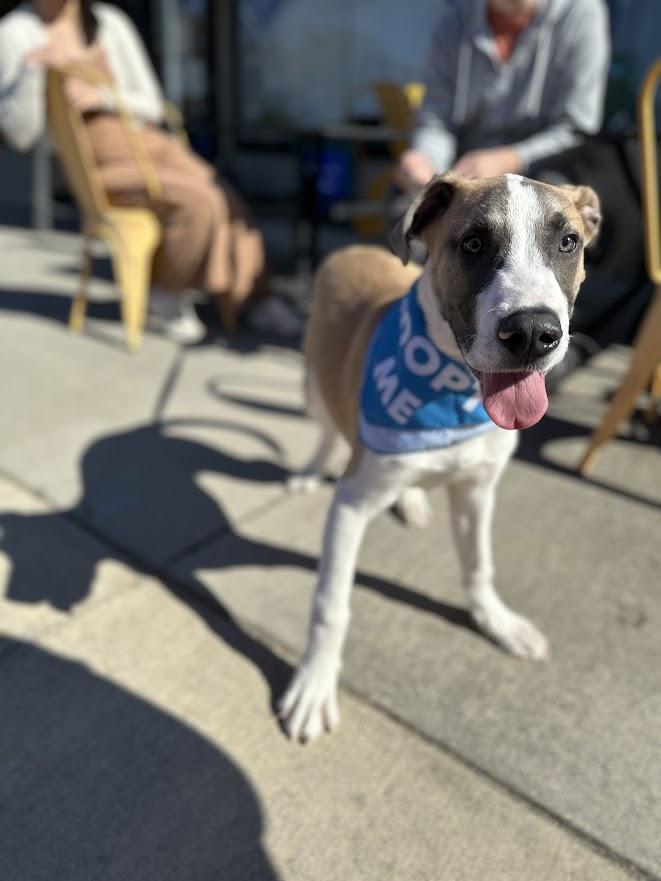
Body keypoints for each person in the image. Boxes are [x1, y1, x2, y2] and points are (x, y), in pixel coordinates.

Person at [0, 0, 300, 342]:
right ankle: (167, 291)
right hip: (101, 165)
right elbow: (21, 136)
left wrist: (101, 96)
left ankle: (254, 298)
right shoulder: (14, 33)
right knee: (198, 202)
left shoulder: (108, 21)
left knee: (227, 199)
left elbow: (153, 105)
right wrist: (32, 72)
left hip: (151, 144)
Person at [395, 0, 611, 196]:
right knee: (406, 205)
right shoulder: (454, 19)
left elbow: (577, 131)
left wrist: (511, 159)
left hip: (543, 172)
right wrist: (425, 161)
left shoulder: (582, 13)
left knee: (550, 200)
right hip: (463, 173)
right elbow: (436, 119)